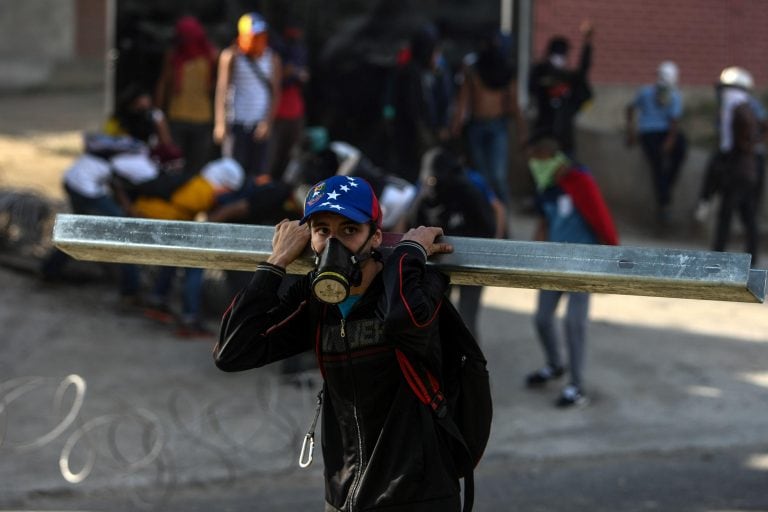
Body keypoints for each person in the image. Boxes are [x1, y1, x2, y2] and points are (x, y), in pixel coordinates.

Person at [214, 175, 466, 510]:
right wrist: (276, 263)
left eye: (349, 231)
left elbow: (404, 319)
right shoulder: (317, 303)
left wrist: (408, 253)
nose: (335, 243)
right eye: (322, 231)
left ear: (375, 236)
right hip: (344, 495)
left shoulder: (413, 286)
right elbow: (232, 352)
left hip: (415, 496)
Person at [524, 133, 619, 408]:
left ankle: (576, 387)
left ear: (554, 160)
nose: (535, 167)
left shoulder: (580, 181)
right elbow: (544, 222)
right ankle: (555, 365)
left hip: (583, 263)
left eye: (539, 162)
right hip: (553, 261)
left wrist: (610, 261)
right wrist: (531, 255)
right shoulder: (546, 188)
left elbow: (601, 218)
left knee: (573, 324)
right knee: (542, 319)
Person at [133, 157, 245, 336]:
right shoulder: (203, 189)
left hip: (161, 221)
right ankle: (189, 318)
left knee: (175, 258)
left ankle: (157, 300)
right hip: (160, 222)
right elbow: (194, 210)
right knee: (195, 262)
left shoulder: (199, 182)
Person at [412, 147, 506, 339]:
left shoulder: (470, 187)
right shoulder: (425, 190)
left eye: (435, 181)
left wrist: (491, 246)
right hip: (439, 266)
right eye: (429, 181)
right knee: (438, 317)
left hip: (471, 265)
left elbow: (494, 213)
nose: (432, 185)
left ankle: (470, 366)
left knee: (466, 321)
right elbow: (413, 224)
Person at [451, 30, 527, 208]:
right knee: (481, 176)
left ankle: (504, 220)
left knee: (498, 176)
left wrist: (522, 131)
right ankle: (488, 216)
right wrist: (456, 126)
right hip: (477, 126)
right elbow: (463, 100)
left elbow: (514, 104)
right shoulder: (474, 70)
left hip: (498, 127)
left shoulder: (505, 71)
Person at [703, 66, 762, 266]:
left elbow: (744, 140)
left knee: (726, 216)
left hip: (738, 171)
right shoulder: (739, 108)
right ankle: (751, 257)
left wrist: (744, 148)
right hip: (743, 170)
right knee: (746, 216)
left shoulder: (739, 110)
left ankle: (716, 259)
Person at [214, 12, 282, 178]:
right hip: (236, 123)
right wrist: (220, 123)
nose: (257, 40)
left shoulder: (272, 58)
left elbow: (275, 92)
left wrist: (267, 122)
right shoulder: (231, 56)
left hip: (259, 123)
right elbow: (222, 90)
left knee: (258, 173)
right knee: (233, 172)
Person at [154, 15, 219, 176]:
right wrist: (157, 113)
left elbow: (218, 86)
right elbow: (164, 83)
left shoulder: (212, 55)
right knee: (174, 166)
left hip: (202, 119)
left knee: (197, 166)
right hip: (178, 118)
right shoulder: (173, 56)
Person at [626, 61, 687, 225]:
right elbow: (631, 108)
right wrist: (631, 130)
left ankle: (666, 190)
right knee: (657, 164)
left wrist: (670, 140)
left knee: (680, 150)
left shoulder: (674, 96)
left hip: (665, 132)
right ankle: (664, 203)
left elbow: (674, 121)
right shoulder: (646, 93)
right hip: (649, 132)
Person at [392, 23, 454, 183]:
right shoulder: (410, 72)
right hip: (414, 134)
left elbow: (443, 99)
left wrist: (442, 124)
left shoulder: (437, 72)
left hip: (428, 130)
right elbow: (410, 106)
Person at [528, 21, 594, 156]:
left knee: (567, 169)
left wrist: (587, 45)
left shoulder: (568, 76)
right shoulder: (540, 71)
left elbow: (582, 74)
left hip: (564, 134)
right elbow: (534, 88)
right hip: (545, 132)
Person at [266, 20, 310, 181]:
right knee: (271, 154)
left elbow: (302, 76)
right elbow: (275, 81)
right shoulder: (274, 53)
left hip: (295, 112)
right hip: (276, 113)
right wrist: (286, 73)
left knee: (291, 154)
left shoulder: (300, 52)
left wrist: (299, 74)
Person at [105, 83, 174, 149]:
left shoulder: (154, 117)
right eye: (139, 108)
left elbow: (167, 143)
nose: (142, 112)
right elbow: (106, 140)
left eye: (146, 108)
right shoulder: (118, 119)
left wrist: (159, 125)